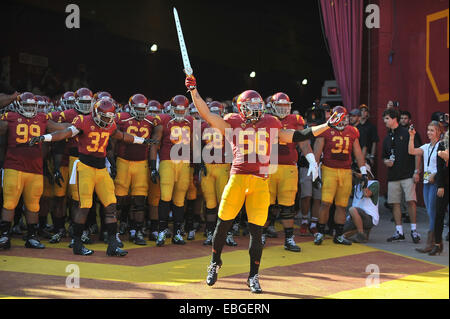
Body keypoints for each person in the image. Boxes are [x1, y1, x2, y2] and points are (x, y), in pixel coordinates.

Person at [185, 74, 345, 293]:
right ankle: (215, 262)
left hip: (260, 181)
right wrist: (194, 91)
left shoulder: (270, 122)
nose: (257, 109)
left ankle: (253, 276)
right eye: (252, 106)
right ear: (241, 108)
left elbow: (297, 135)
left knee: (257, 232)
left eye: (258, 105)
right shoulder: (232, 121)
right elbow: (207, 114)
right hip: (238, 178)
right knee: (222, 225)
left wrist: (326, 125)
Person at [28, 97, 155, 256]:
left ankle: (113, 245)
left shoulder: (110, 124)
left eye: (109, 118)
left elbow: (121, 135)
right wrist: (44, 137)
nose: (107, 121)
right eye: (104, 117)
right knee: (84, 206)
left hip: (101, 169)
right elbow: (64, 133)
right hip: (86, 168)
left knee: (111, 206)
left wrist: (142, 140)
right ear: (95, 113)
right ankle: (77, 243)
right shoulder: (83, 121)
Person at [0, 92, 68, 250]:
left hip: (35, 169)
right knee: (9, 203)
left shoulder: (42, 118)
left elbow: (60, 129)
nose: (30, 108)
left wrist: (76, 128)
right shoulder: (10, 117)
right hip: (14, 167)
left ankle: (31, 237)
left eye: (32, 105)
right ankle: (4, 236)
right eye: (26, 105)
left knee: (33, 205)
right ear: (18, 106)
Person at [263, 92, 318, 252]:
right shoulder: (264, 119)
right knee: (265, 204)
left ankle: (288, 239)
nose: (282, 109)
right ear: (272, 106)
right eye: (279, 105)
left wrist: (312, 161)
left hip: (288, 167)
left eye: (285, 106)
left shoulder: (295, 120)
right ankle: (261, 235)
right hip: (267, 166)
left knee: (288, 206)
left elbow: (304, 143)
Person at [313, 106, 367, 246]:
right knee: (326, 203)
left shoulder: (352, 131)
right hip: (329, 169)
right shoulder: (325, 129)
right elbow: (317, 153)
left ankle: (339, 235)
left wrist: (364, 172)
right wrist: (315, 172)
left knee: (342, 205)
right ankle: (320, 233)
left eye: (344, 118)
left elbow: (358, 152)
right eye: (339, 118)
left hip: (346, 171)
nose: (342, 121)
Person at [382, 108, 421, 243]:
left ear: (394, 119)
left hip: (407, 174)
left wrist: (416, 172)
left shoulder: (407, 133)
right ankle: (399, 231)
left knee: (411, 201)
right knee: (395, 203)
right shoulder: (387, 137)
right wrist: (386, 162)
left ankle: (414, 230)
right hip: (393, 176)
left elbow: (417, 153)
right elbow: (384, 157)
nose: (384, 121)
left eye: (387, 118)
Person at [408, 121, 442, 252]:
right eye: (428, 130)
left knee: (432, 213)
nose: (429, 133)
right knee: (430, 212)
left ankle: (432, 243)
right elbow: (411, 151)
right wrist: (411, 136)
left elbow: (445, 165)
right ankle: (434, 242)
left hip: (436, 183)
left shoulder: (441, 146)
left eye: (432, 130)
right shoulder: (426, 146)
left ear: (438, 132)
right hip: (426, 183)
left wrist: (436, 174)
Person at [343, 164, 379, 243]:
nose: (357, 174)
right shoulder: (357, 186)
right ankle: (363, 231)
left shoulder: (374, 183)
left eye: (360, 172)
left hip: (369, 217)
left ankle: (361, 233)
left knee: (352, 209)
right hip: (355, 217)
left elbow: (367, 194)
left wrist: (364, 180)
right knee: (340, 232)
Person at [431, 129, 448, 255]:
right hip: (445, 185)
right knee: (439, 214)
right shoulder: (442, 144)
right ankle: (437, 243)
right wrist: (440, 185)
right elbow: (439, 167)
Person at [358, 104, 379, 169]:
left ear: (367, 113)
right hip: (356, 154)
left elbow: (374, 142)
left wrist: (372, 156)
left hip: (367, 155)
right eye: (361, 110)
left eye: (365, 111)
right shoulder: (356, 126)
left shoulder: (371, 126)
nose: (363, 112)